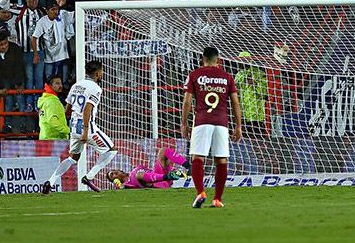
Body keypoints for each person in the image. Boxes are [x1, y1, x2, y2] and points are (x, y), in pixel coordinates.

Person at [42, 61, 117, 194]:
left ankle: (50, 181)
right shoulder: (95, 88)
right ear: (97, 73)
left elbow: (68, 107)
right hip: (86, 128)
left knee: (72, 158)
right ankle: (89, 177)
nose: (102, 74)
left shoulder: (76, 85)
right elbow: (88, 108)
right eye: (102, 71)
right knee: (111, 150)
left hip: (74, 126)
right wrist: (86, 131)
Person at [181, 46, 241, 208]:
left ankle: (200, 192)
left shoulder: (195, 75)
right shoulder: (227, 77)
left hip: (202, 121)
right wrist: (238, 126)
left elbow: (187, 101)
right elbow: (235, 103)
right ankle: (217, 199)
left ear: (203, 59)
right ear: (218, 60)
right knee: (221, 160)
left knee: (197, 158)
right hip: (221, 123)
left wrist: (184, 123)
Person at [0, 31, 27, 132]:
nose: (4, 46)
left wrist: (18, 84)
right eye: (1, 44)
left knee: (20, 100)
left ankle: (23, 125)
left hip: (17, 76)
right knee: (8, 101)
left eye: (6, 43)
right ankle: (8, 125)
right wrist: (0, 87)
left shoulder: (15, 49)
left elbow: (20, 67)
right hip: (4, 79)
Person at [106, 146, 190, 189]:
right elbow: (123, 189)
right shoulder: (126, 184)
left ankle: (188, 166)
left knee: (163, 151)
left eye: (113, 171)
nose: (114, 172)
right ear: (114, 180)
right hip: (155, 185)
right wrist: (119, 186)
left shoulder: (136, 168)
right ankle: (169, 176)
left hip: (158, 175)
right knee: (138, 175)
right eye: (112, 175)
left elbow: (150, 172)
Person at [31, 0, 71, 86]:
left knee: (63, 80)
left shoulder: (62, 16)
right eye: (53, 9)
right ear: (47, 10)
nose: (56, 12)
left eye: (57, 9)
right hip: (50, 55)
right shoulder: (42, 21)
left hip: (63, 54)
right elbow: (34, 38)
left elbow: (74, 15)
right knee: (49, 79)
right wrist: (35, 54)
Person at [235, 51, 267, 136]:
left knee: (256, 140)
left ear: (250, 60)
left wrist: (255, 84)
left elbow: (265, 93)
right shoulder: (238, 74)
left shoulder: (259, 73)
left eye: (246, 60)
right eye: (241, 60)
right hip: (242, 115)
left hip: (256, 116)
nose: (243, 62)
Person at [37, 74, 69, 140]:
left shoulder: (45, 99)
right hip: (54, 139)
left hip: (45, 137)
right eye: (57, 83)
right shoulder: (52, 101)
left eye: (61, 83)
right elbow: (52, 121)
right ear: (50, 86)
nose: (61, 86)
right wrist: (67, 130)